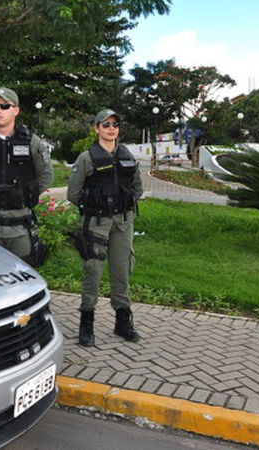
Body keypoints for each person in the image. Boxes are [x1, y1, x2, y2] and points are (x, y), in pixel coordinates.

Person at [67, 109, 143, 347]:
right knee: (93, 272)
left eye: (115, 124)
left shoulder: (126, 154)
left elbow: (138, 188)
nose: (111, 128)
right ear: (96, 128)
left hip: (123, 223)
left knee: (121, 271)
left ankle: (122, 322)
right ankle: (86, 323)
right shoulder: (87, 158)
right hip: (96, 223)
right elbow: (73, 194)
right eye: (106, 124)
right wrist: (94, 205)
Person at [0, 87, 53, 267]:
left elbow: (46, 175)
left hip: (20, 227)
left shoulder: (31, 141)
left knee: (24, 277)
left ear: (16, 110)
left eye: (5, 106)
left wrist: (24, 194)